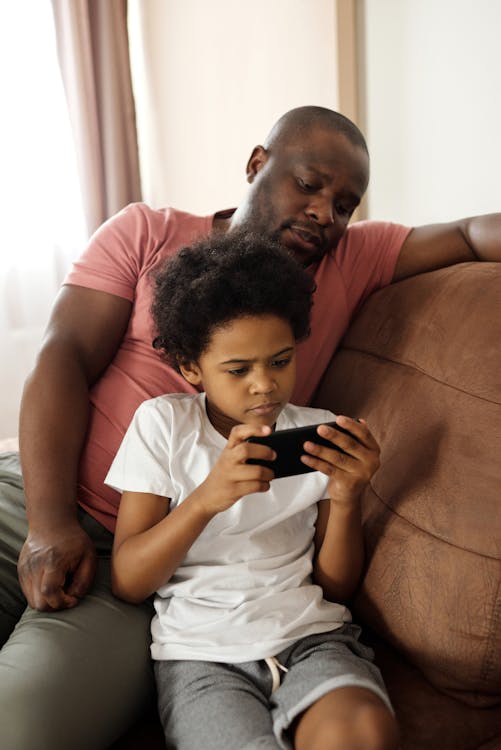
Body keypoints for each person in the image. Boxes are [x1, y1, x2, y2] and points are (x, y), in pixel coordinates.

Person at [0, 104, 499, 749]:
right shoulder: (145, 231)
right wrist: (48, 521)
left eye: (346, 203)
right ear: (257, 165)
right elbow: (60, 357)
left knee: (22, 721)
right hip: (38, 489)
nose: (326, 213)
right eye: (309, 184)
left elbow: (465, 235)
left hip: (160, 554)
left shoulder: (351, 259)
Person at [107, 232, 399, 750]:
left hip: (313, 639)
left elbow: (336, 588)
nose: (264, 384)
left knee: (362, 733)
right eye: (238, 370)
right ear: (191, 368)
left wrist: (349, 495)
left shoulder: (321, 432)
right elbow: (129, 580)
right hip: (202, 655)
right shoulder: (163, 426)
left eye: (281, 361)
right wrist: (206, 499)